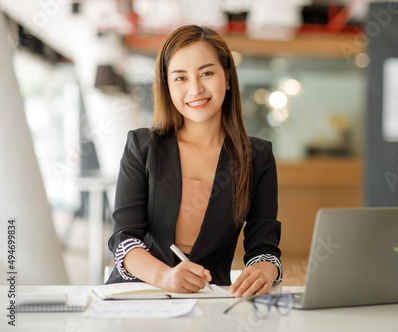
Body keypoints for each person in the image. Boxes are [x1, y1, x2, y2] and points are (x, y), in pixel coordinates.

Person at [106, 25, 282, 298]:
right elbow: (124, 240)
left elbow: (264, 248)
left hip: (210, 300)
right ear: (166, 85)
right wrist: (165, 276)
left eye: (207, 73)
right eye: (180, 78)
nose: (195, 89)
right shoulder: (142, 147)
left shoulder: (256, 157)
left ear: (227, 78)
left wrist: (265, 270)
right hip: (138, 295)